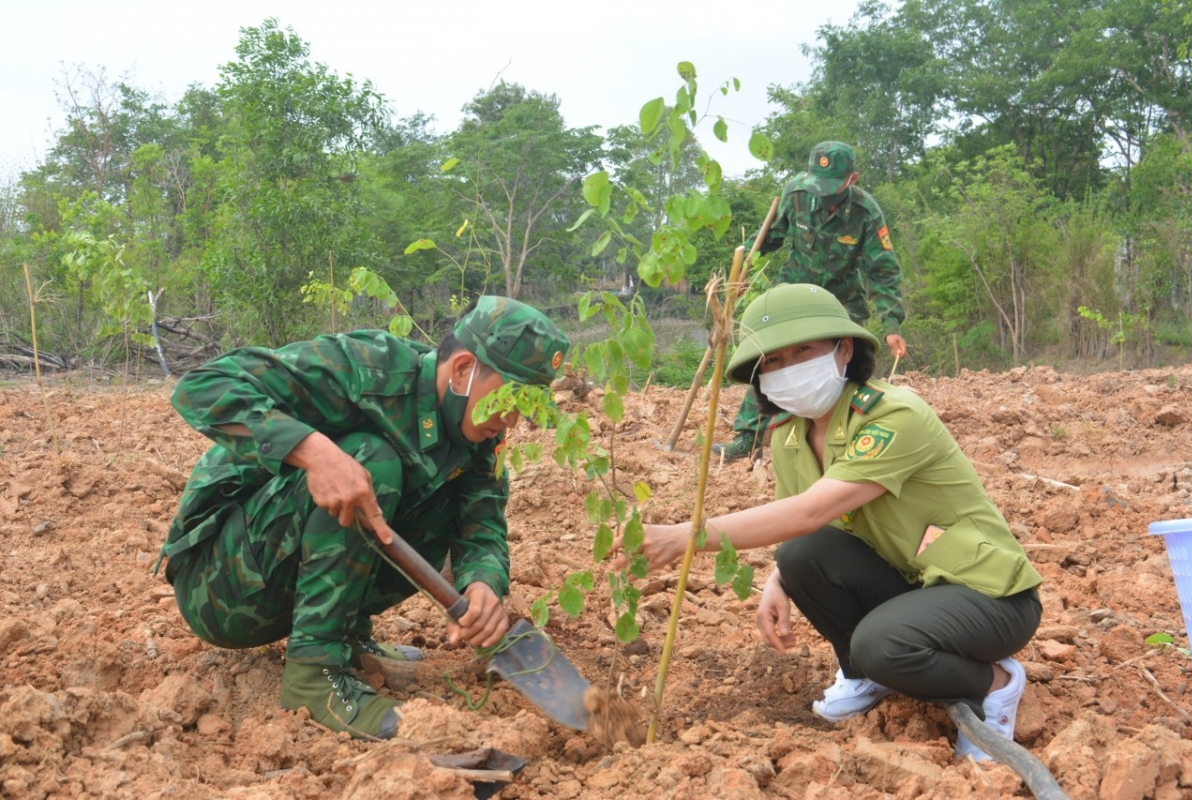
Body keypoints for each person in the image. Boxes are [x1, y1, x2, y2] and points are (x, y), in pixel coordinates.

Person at [637, 284, 1042, 760]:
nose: (787, 369)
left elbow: (812, 509)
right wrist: (778, 582)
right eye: (773, 361)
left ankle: (994, 684)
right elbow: (802, 529)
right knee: (798, 555)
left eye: (802, 351)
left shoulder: (893, 416)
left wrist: (687, 536)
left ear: (843, 349)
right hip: (915, 586)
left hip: (988, 597)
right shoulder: (789, 435)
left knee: (882, 644)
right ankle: (867, 676)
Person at [156, 296, 569, 740]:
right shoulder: (368, 370)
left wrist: (483, 582)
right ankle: (315, 673)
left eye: (527, 405)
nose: (513, 420)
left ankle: (345, 636)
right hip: (222, 586)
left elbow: (482, 520)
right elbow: (202, 386)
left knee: (434, 496)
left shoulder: (481, 437)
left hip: (277, 585)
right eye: (509, 398)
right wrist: (314, 453)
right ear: (465, 369)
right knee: (372, 461)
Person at [715, 141, 908, 461]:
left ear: (853, 179)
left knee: (847, 367)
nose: (824, 196)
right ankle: (749, 436)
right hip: (793, 293)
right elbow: (769, 236)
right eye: (819, 186)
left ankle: (843, 434)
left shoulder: (866, 213)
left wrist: (891, 324)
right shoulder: (796, 195)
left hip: (840, 300)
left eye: (833, 188)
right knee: (770, 360)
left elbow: (883, 269)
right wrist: (745, 264)